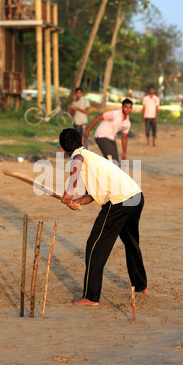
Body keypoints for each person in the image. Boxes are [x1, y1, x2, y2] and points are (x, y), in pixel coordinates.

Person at [59, 128, 148, 306]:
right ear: (82, 142)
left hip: (119, 201)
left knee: (95, 245)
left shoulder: (78, 156)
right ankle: (140, 285)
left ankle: (91, 297)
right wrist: (76, 201)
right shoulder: (92, 158)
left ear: (62, 149)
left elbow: (77, 162)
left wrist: (69, 192)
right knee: (130, 242)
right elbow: (91, 195)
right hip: (136, 196)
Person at [84, 98, 133, 163]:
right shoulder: (114, 114)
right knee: (111, 160)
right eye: (126, 107)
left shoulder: (127, 123)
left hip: (111, 138)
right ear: (122, 107)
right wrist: (88, 131)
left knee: (116, 161)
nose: (128, 109)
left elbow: (124, 138)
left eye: (130, 107)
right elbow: (98, 118)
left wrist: (124, 153)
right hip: (101, 135)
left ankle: (106, 171)